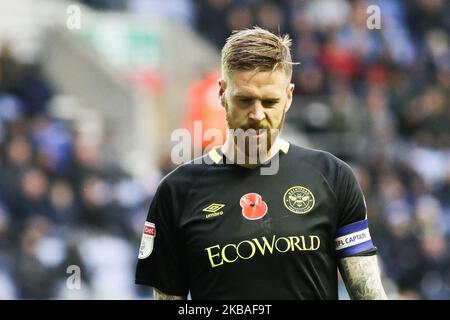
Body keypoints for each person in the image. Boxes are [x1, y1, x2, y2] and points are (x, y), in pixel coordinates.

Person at [135, 27, 388, 300]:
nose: (257, 115)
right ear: (222, 92)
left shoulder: (333, 177)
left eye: (270, 102)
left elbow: (369, 294)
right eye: (245, 100)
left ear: (289, 97)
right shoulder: (176, 193)